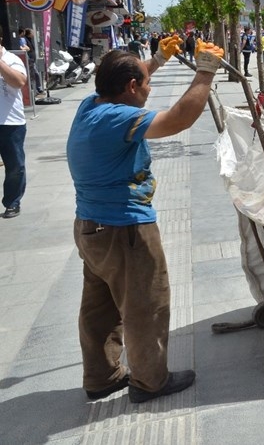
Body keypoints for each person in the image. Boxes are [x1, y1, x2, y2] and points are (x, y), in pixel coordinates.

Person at [66, 34, 221, 403]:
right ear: (132, 87)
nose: (150, 89)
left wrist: (157, 60)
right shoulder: (118, 118)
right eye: (146, 82)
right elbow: (178, 119)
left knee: (100, 309)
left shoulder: (92, 106)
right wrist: (205, 72)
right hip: (124, 230)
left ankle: (101, 376)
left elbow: (130, 81)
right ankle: (150, 381)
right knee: (145, 306)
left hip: (90, 228)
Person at [0, 39, 28, 218]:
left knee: (14, 166)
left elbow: (19, 81)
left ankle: (12, 202)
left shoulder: (12, 59)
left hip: (10, 122)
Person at [21, 28, 44, 93]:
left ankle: (36, 89)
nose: (33, 34)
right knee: (34, 74)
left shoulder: (30, 40)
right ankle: (36, 89)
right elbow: (24, 48)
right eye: (32, 32)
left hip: (32, 60)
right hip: (29, 60)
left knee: (34, 74)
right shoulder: (24, 40)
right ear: (29, 33)